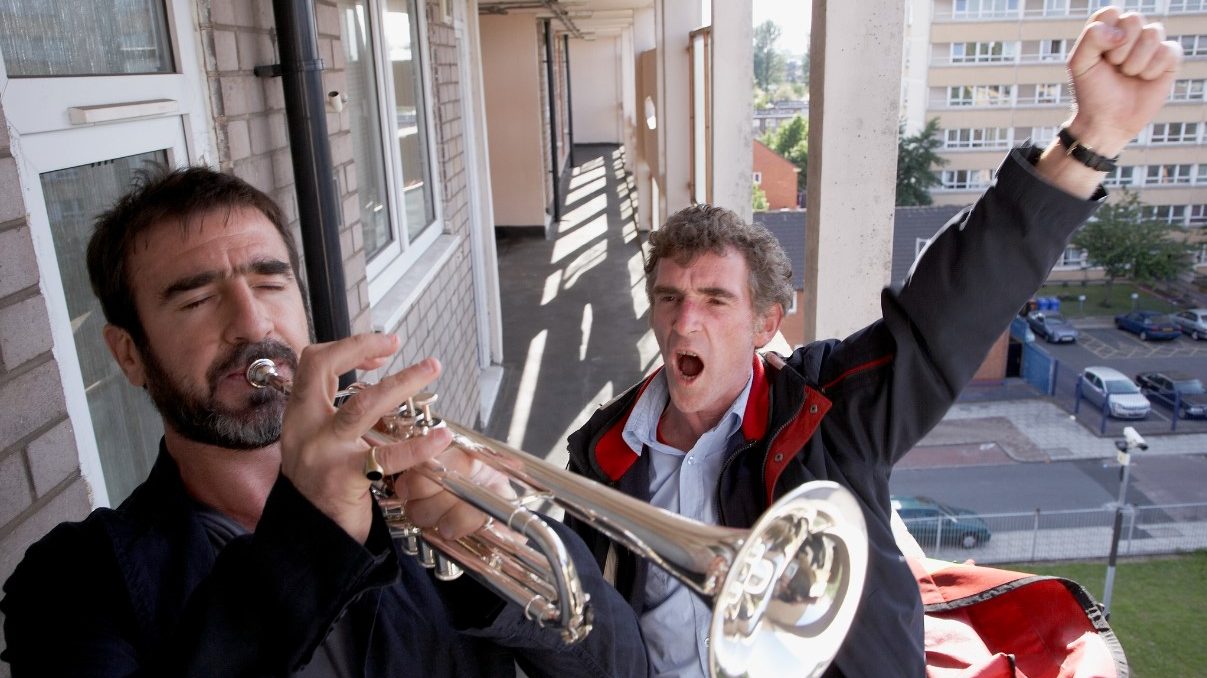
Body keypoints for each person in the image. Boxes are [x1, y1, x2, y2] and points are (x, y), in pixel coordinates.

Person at [563, 7, 1182, 677]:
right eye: (669, 298)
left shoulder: (832, 411)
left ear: (767, 323)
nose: (686, 323)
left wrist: (1091, 137)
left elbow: (952, 307)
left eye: (715, 300)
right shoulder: (599, 448)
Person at [1, 167, 649, 676]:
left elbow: (623, 670)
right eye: (196, 299)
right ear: (129, 353)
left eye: (271, 282)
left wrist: (500, 565)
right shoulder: (74, 585)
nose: (253, 324)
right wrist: (308, 539)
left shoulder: (423, 499)